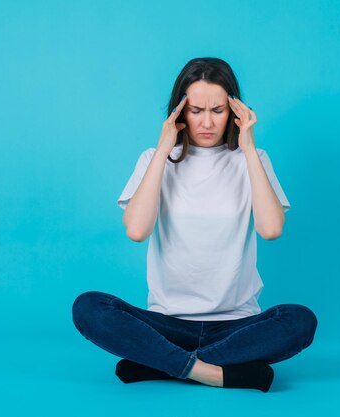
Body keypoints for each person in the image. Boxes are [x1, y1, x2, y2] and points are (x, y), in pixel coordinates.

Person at [72, 57, 317, 392]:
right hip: (167, 323)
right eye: (196, 110)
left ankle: (160, 363)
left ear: (234, 111)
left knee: (300, 320)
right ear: (179, 112)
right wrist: (162, 149)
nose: (206, 122)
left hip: (237, 324)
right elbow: (136, 231)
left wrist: (248, 148)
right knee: (89, 307)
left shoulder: (253, 160)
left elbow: (272, 229)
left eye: (217, 110)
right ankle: (214, 372)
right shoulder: (153, 159)